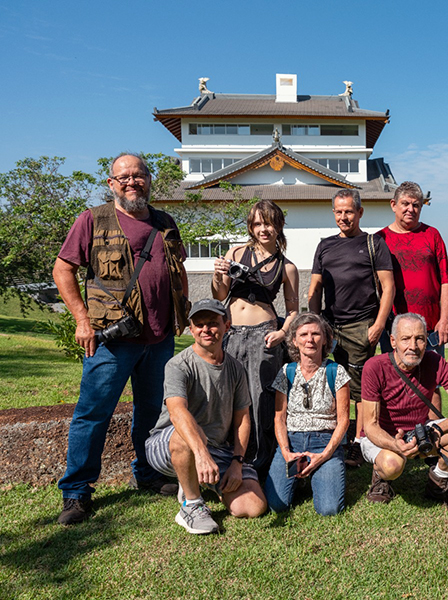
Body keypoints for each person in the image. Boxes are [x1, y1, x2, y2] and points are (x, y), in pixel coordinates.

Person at [53, 153, 190, 525]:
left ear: (149, 179)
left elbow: (177, 270)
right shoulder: (92, 220)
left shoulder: (165, 222)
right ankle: (76, 491)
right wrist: (82, 320)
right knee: (93, 414)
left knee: (151, 412)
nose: (132, 182)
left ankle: (147, 473)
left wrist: (183, 309)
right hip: (111, 340)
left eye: (138, 175)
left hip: (159, 338)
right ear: (111, 183)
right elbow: (63, 269)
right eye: (124, 177)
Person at [145, 299, 267, 535]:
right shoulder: (178, 365)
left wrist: (236, 463)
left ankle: (200, 481)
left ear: (226, 326)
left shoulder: (235, 368)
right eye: (199, 325)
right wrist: (201, 454)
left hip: (217, 449)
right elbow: (177, 412)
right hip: (168, 443)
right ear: (191, 330)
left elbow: (242, 418)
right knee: (186, 434)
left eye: (212, 323)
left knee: (252, 507)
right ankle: (191, 504)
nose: (206, 329)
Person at [212, 199, 300, 477]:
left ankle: (263, 462)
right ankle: (228, 457)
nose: (264, 229)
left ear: (279, 226)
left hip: (264, 335)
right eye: (258, 223)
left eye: (269, 223)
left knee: (262, 398)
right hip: (232, 334)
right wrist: (218, 274)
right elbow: (220, 294)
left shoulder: (287, 267)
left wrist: (283, 333)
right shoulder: (236, 253)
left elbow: (294, 310)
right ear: (251, 227)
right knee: (228, 395)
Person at [308, 189, 395, 468]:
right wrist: (314, 324)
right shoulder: (324, 246)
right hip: (329, 327)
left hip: (361, 326)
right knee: (330, 382)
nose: (343, 217)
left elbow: (388, 287)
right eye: (338, 211)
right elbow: (315, 288)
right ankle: (335, 436)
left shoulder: (373, 243)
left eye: (348, 211)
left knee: (359, 389)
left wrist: (378, 324)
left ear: (360, 212)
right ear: (333, 213)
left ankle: (358, 442)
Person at [360, 313, 448, 509]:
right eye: (405, 339)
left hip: (420, 430)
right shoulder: (375, 367)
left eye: (419, 339)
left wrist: (438, 430)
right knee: (392, 465)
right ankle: (381, 478)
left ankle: (438, 481)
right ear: (393, 341)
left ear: (426, 341)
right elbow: (370, 425)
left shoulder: (435, 361)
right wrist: (395, 444)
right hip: (383, 435)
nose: (413, 346)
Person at [265, 313, 350, 516]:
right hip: (292, 442)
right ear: (294, 340)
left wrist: (325, 455)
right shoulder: (286, 371)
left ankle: (318, 472)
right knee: (276, 505)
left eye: (315, 334)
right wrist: (286, 451)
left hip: (324, 442)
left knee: (329, 509)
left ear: (325, 339)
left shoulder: (336, 371)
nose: (309, 340)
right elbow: (279, 418)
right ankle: (303, 478)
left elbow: (344, 420)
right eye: (303, 335)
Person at [377, 181, 448, 356]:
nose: (410, 209)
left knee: (432, 373)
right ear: (393, 205)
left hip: (430, 327)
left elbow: (446, 281)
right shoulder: (380, 239)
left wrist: (445, 319)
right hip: (394, 327)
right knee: (395, 373)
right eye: (405, 204)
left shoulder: (432, 235)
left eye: (416, 205)